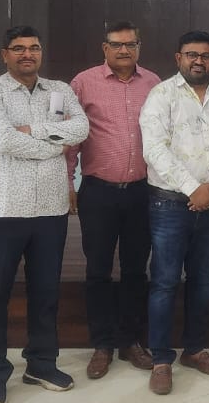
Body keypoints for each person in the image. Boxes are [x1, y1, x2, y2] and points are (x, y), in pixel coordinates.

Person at [0, 26, 89, 403]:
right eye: (19, 48)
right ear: (4, 54)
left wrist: (34, 131)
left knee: (46, 294)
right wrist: (54, 146)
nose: (27, 54)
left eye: (34, 47)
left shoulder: (59, 90)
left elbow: (81, 128)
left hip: (51, 210)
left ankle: (41, 364)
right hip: (3, 209)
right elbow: (2, 140)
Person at [140, 30, 209, 395]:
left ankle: (195, 349)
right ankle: (160, 360)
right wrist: (193, 189)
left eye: (205, 55)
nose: (198, 60)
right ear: (178, 58)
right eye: (191, 54)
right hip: (169, 204)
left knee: (202, 279)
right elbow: (155, 149)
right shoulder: (161, 95)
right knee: (164, 281)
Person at [67, 21, 161, 379]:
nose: (124, 50)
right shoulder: (83, 83)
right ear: (104, 48)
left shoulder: (153, 83)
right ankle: (102, 343)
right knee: (98, 270)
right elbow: (70, 139)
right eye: (117, 45)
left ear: (139, 47)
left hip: (142, 192)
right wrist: (67, 182)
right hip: (98, 192)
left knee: (136, 269)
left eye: (131, 44)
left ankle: (131, 340)